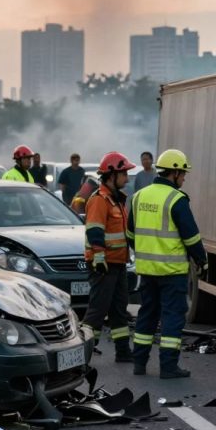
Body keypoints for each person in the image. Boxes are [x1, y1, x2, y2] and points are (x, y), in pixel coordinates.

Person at [127, 149, 208, 379]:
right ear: (173, 173)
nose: (183, 178)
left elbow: (130, 234)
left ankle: (139, 363)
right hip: (172, 272)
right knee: (173, 317)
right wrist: (201, 260)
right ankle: (168, 367)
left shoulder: (139, 197)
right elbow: (191, 237)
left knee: (147, 314)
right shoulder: (176, 199)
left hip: (147, 270)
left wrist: (146, 252)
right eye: (182, 174)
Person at [82, 152, 136, 363]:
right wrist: (99, 258)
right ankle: (83, 351)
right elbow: (95, 231)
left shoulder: (116, 201)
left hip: (117, 263)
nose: (127, 179)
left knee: (118, 310)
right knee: (97, 311)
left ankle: (123, 351)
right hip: (103, 264)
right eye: (124, 174)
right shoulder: (99, 200)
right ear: (112, 174)